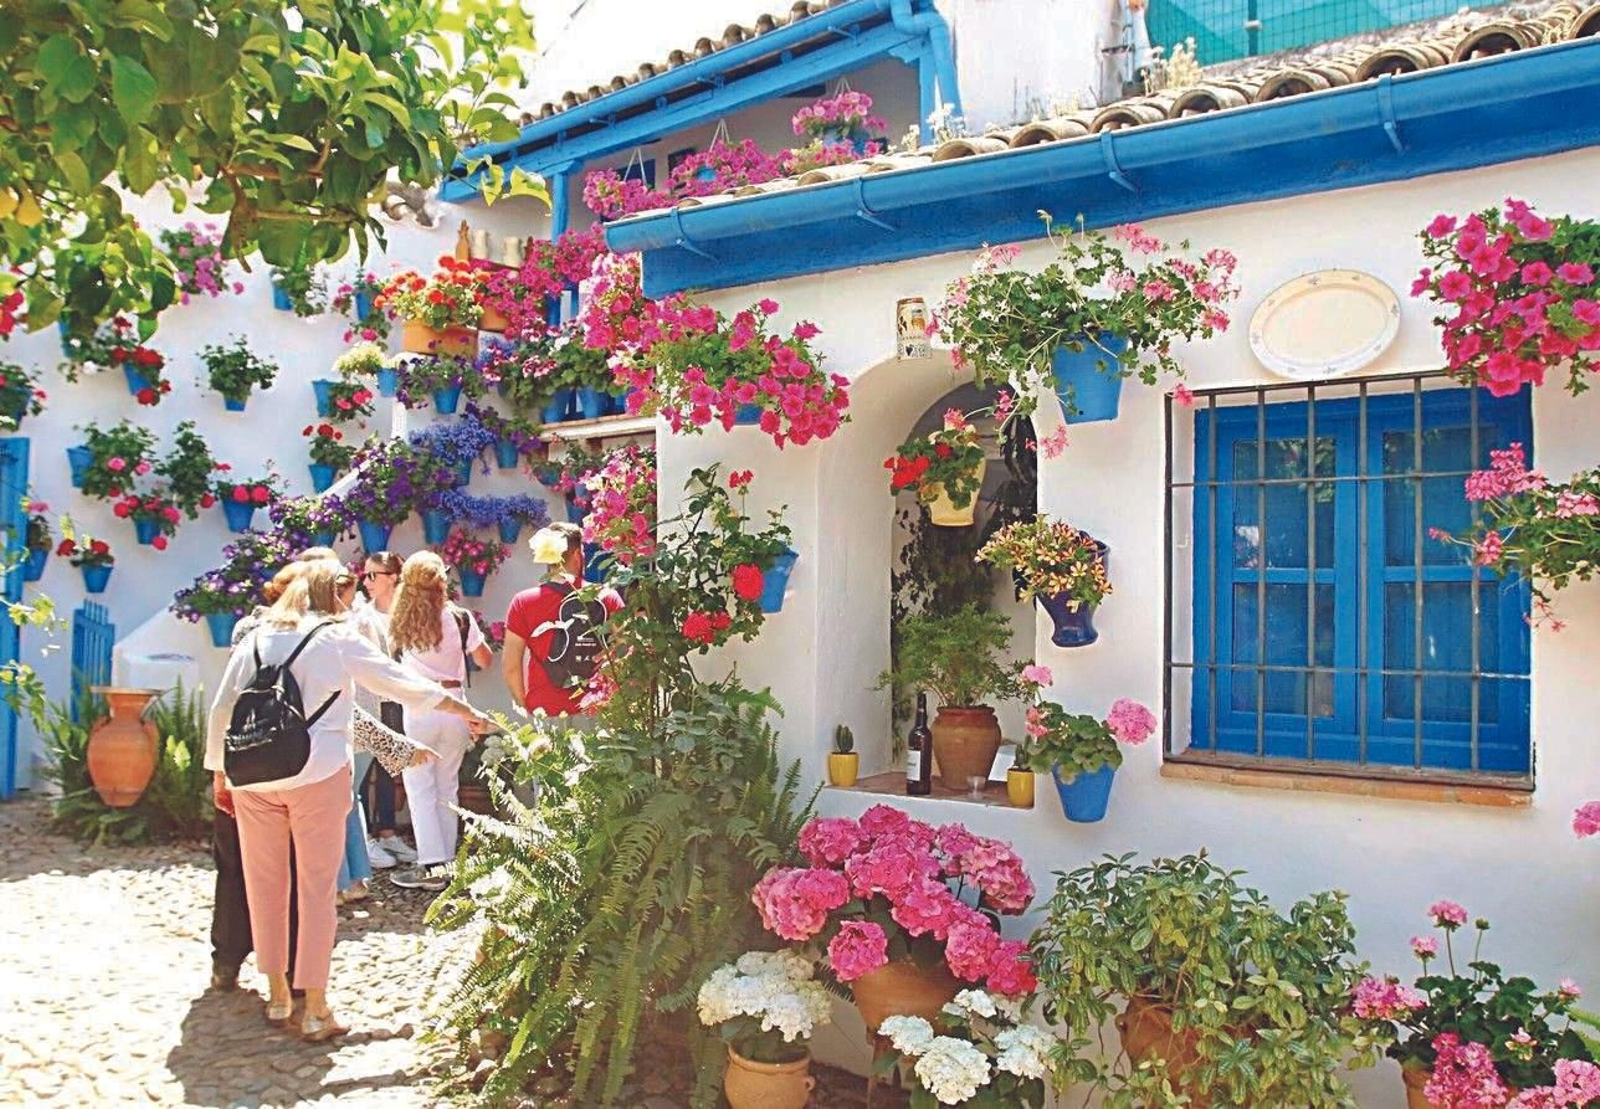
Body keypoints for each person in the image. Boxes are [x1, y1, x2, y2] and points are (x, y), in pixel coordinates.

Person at [206, 560, 494, 1040]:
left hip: (253, 779)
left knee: (265, 887)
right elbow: (397, 683)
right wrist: (460, 707)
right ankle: (315, 1007)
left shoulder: (255, 638)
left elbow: (221, 708)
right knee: (316, 891)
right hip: (316, 774)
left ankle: (278, 997)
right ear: (329, 597)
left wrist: (219, 774)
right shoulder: (337, 639)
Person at [386, 551, 494, 892]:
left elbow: (391, 662)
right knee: (448, 785)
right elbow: (485, 660)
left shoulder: (400, 621)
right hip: (456, 705)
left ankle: (432, 865)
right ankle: (447, 863)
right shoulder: (459, 618)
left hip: (419, 707)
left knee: (420, 787)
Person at [503, 523, 622, 717]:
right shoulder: (607, 597)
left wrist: (524, 706)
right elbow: (626, 652)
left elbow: (511, 666)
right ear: (577, 555)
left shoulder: (523, 602)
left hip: (545, 709)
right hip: (599, 711)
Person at [354, 551, 412, 870]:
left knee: (390, 767)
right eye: (365, 575)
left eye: (373, 575)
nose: (367, 582)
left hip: (396, 699)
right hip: (367, 699)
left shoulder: (405, 614)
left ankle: (388, 831)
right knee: (363, 770)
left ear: (392, 578)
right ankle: (366, 838)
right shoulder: (362, 615)